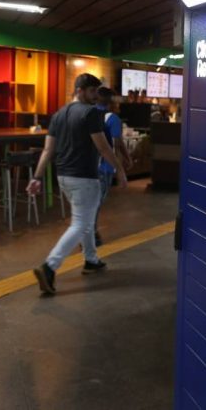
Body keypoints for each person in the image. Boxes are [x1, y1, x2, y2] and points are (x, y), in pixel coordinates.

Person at [28, 74, 127, 295]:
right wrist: (119, 170)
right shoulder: (91, 113)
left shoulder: (59, 114)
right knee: (81, 223)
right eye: (92, 91)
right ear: (80, 90)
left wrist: (37, 177)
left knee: (86, 220)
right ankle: (49, 267)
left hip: (63, 177)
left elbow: (48, 150)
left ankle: (91, 260)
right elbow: (103, 148)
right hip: (84, 177)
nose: (96, 96)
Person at [93, 87, 132, 246]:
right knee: (96, 203)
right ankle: (91, 235)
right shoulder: (113, 118)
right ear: (111, 102)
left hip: (87, 165)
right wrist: (122, 165)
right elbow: (117, 143)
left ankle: (89, 233)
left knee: (90, 202)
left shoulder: (89, 114)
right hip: (104, 166)